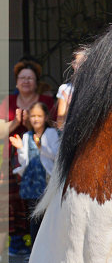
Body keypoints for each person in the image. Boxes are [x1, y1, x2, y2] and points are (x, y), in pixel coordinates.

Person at [0, 59, 55, 259]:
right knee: (13, 201)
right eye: (22, 78)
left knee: (38, 201)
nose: (26, 81)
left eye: (30, 78)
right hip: (13, 158)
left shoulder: (47, 102)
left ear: (36, 81)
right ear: (16, 82)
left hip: (41, 162)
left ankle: (38, 244)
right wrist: (15, 122)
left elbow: (55, 127)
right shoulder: (9, 102)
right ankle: (16, 244)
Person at [9, 102, 59, 246]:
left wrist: (40, 146)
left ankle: (49, 248)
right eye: (33, 116)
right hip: (32, 183)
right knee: (34, 218)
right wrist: (20, 148)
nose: (36, 119)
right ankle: (34, 250)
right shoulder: (26, 136)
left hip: (48, 182)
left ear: (45, 117)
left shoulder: (51, 134)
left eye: (39, 116)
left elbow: (55, 155)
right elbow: (24, 161)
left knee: (48, 217)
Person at [56, 46, 87, 129]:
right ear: (73, 64)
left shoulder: (96, 87)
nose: (82, 66)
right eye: (79, 62)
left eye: (85, 62)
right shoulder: (65, 89)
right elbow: (60, 123)